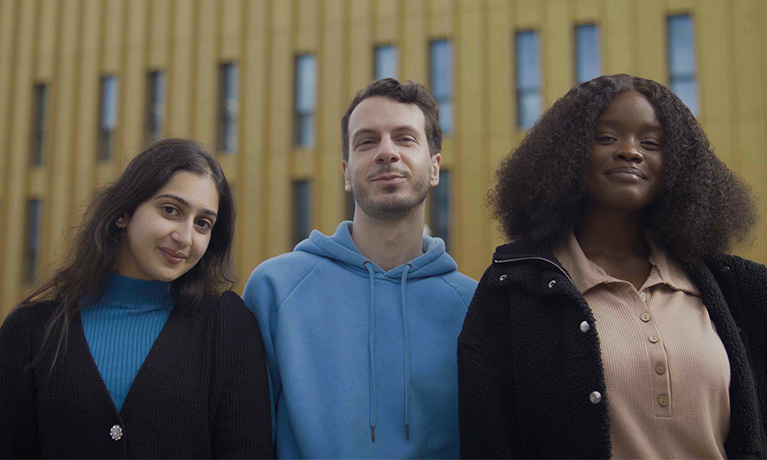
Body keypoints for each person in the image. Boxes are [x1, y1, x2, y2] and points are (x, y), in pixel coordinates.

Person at [458, 74, 767, 459]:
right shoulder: (513, 288)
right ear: (568, 155)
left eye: (651, 143)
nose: (630, 151)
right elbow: (488, 441)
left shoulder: (740, 289)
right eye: (606, 138)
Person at [243, 78, 477, 458]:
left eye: (404, 138)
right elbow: (245, 441)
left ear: (434, 168)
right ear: (347, 173)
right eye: (367, 141)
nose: (387, 152)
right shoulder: (276, 288)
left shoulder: (475, 306)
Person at [0, 138, 272, 458]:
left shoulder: (226, 324)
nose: (185, 237)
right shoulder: (29, 330)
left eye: (203, 223)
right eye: (170, 210)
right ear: (124, 214)